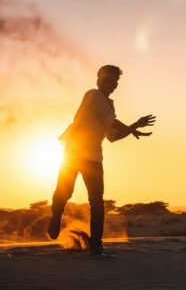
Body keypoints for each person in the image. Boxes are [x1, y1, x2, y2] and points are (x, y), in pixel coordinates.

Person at [48, 65, 156, 255]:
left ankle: (96, 243)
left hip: (94, 158)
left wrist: (130, 130)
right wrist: (133, 126)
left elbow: (112, 136)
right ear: (98, 80)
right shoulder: (93, 95)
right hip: (73, 152)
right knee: (65, 192)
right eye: (107, 80)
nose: (111, 84)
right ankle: (56, 214)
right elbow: (113, 123)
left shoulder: (110, 105)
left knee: (97, 202)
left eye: (114, 81)